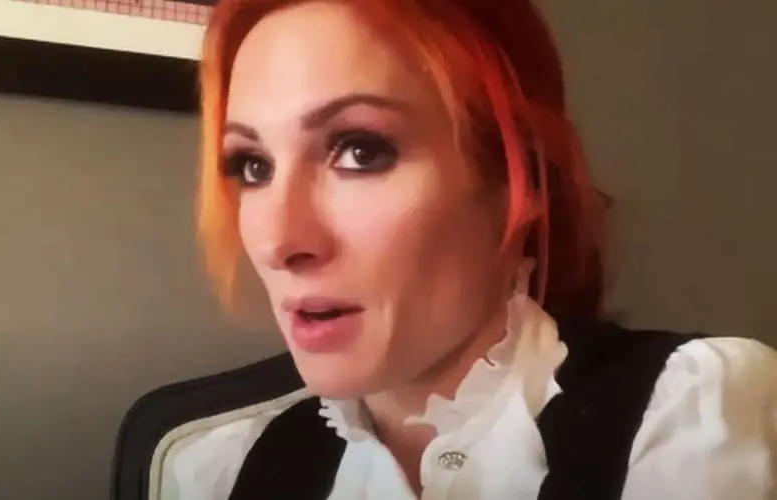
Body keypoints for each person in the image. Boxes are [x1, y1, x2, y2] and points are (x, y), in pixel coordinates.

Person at [172, 0, 777, 498]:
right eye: (252, 166)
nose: (280, 241)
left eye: (360, 150)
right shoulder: (218, 473)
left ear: (520, 178)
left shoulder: (688, 414)